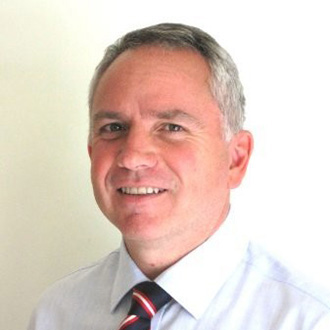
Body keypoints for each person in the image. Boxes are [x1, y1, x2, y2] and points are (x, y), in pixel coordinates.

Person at [28, 23, 330, 330]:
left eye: (172, 128)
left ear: (236, 159)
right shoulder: (56, 313)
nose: (132, 157)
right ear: (92, 152)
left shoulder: (309, 320)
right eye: (114, 128)